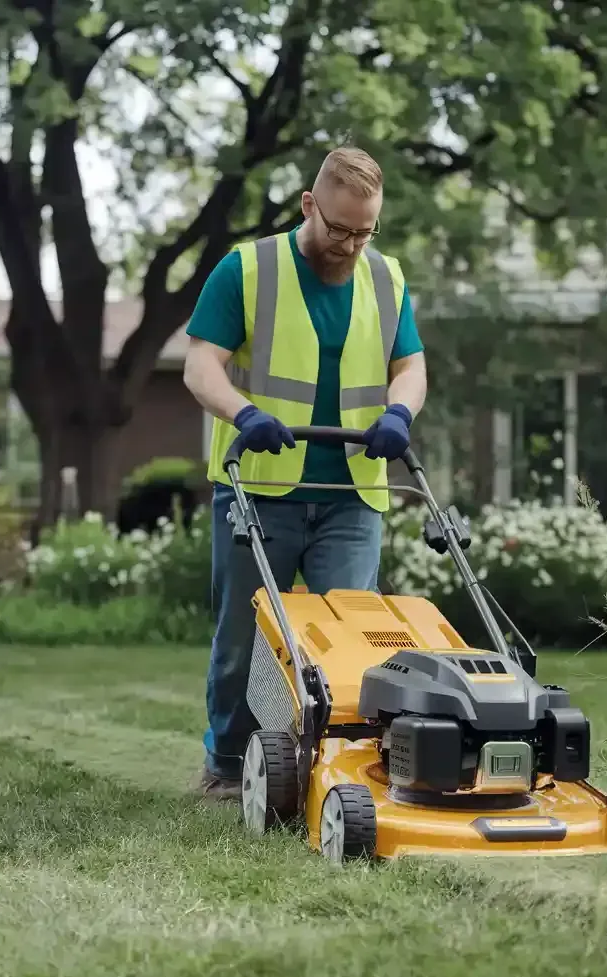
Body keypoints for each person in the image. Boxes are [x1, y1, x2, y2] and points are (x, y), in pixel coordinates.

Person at [182, 146, 427, 800]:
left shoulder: (386, 278)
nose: (349, 243)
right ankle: (228, 764)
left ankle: (333, 771)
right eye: (338, 228)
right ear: (309, 205)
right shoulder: (249, 268)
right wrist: (243, 413)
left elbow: (411, 366)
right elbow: (200, 365)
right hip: (259, 486)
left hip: (352, 492)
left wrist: (399, 412)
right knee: (244, 641)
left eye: (364, 231)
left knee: (349, 642)